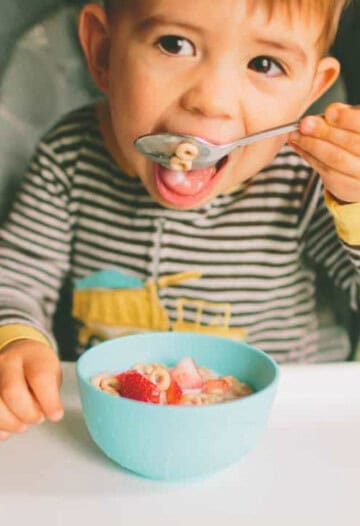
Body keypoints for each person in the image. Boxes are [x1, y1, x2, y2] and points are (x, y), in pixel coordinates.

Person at [0, 0, 359, 441]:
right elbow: (17, 279)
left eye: (264, 63)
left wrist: (354, 204)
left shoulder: (304, 179)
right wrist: (16, 343)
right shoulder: (70, 157)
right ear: (102, 51)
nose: (211, 101)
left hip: (281, 429)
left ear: (311, 91)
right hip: (122, 429)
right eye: (174, 44)